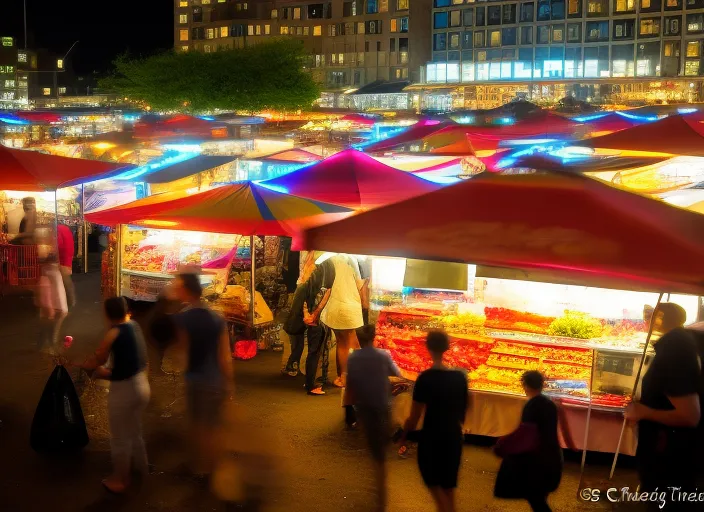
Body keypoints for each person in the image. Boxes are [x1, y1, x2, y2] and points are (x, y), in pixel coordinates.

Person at [625, 302, 701, 510]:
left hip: (668, 457)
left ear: (660, 318)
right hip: (666, 453)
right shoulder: (677, 343)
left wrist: (644, 411)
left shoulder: (676, 349)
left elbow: (689, 415)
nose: (647, 319)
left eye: (651, 314)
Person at [76, 297, 150, 493]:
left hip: (125, 390)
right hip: (142, 385)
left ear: (108, 314)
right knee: (134, 430)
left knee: (119, 437)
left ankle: (120, 480)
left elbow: (97, 360)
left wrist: (89, 367)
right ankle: (141, 468)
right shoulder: (134, 326)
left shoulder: (113, 333)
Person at [170, 272, 234, 476]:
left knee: (199, 425)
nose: (176, 291)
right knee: (214, 425)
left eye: (179, 288)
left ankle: (202, 468)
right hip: (216, 380)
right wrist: (229, 382)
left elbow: (182, 351)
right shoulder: (217, 318)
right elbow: (225, 356)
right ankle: (215, 465)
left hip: (197, 380)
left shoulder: (183, 319)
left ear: (187, 291)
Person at [399, 330, 469, 512]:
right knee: (449, 488)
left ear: (428, 347)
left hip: (432, 438)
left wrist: (403, 436)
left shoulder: (425, 379)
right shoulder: (460, 377)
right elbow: (466, 407)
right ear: (447, 347)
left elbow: (414, 418)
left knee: (435, 487)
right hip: (453, 437)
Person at [347, 324, 401, 511]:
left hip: (365, 408)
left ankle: (378, 487)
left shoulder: (353, 357)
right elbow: (397, 374)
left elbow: (350, 384)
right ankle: (381, 489)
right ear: (374, 338)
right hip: (382, 407)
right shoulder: (383, 355)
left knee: (373, 447)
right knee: (380, 450)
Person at [493, 371, 562, 512]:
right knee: (539, 498)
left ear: (526, 385)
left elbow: (526, 434)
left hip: (537, 460)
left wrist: (504, 444)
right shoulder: (550, 404)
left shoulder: (532, 406)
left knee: (536, 500)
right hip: (553, 456)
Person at [308, 254, 364, 388]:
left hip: (334, 306)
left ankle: (344, 376)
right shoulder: (351, 259)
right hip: (348, 305)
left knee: (344, 342)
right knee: (349, 344)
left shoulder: (326, 258)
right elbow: (359, 284)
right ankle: (346, 378)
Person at [282, 266, 326, 395]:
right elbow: (299, 308)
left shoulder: (305, 287)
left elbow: (297, 307)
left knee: (301, 347)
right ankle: (295, 370)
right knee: (302, 348)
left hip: (301, 322)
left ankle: (299, 373)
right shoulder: (312, 290)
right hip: (302, 323)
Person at [36, 254, 68, 354]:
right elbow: (51, 292)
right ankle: (50, 348)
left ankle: (43, 347)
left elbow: (47, 292)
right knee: (52, 330)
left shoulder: (48, 272)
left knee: (47, 328)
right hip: (56, 307)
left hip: (53, 307)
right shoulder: (54, 273)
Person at [56, 222, 76, 309]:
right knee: (66, 280)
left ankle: (70, 301)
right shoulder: (65, 229)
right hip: (67, 257)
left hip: (63, 258)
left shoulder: (58, 229)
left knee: (65, 280)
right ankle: (71, 300)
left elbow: (59, 244)